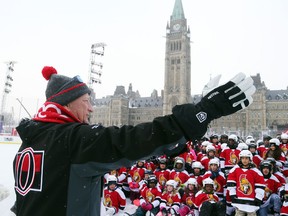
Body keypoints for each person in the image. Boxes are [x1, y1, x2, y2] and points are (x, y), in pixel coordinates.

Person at [12, 66, 255, 216]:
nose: (92, 108)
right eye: (86, 100)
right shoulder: (73, 139)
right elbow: (132, 140)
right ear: (65, 103)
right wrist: (202, 112)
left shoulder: (30, 143)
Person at [227, 150, 266, 216]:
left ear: (250, 159)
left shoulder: (256, 171)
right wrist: (232, 194)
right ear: (240, 159)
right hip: (239, 201)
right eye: (243, 158)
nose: (244, 160)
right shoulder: (235, 169)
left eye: (246, 158)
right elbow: (231, 183)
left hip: (252, 202)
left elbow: (260, 186)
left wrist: (258, 197)